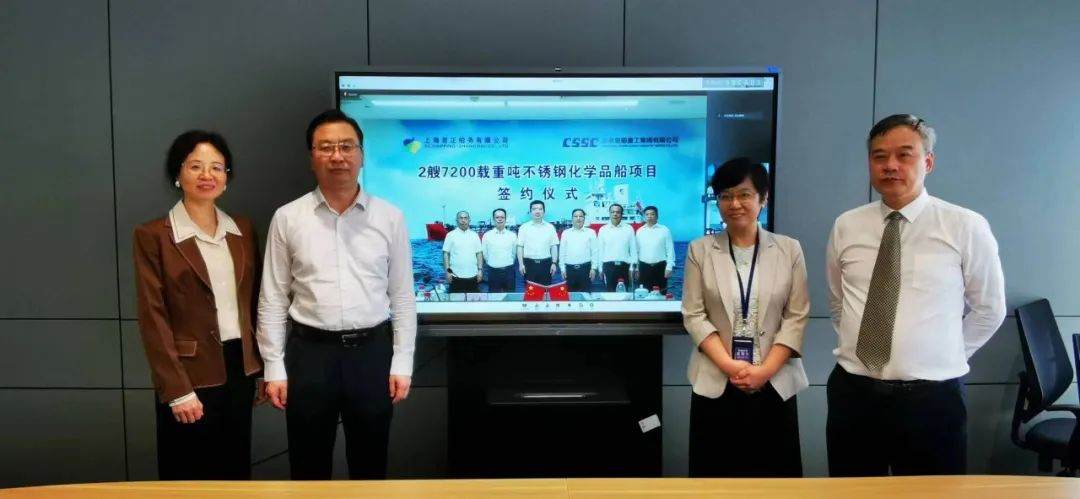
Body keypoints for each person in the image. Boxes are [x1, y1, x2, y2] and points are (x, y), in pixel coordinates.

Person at [825, 114, 1005, 476]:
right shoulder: (847, 225)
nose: (890, 165)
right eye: (879, 156)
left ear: (928, 161)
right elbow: (838, 301)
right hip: (854, 394)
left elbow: (989, 309)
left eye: (904, 155)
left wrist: (944, 357)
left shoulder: (964, 225)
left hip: (933, 401)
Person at [257, 109, 416, 480]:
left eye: (346, 146)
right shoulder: (288, 217)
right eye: (326, 147)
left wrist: (402, 361)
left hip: (372, 355)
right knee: (307, 467)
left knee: (370, 465)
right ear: (312, 157)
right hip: (309, 355)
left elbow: (403, 297)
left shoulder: (390, 217)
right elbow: (273, 298)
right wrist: (273, 366)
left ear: (361, 155)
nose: (337, 156)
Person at [133, 130, 264, 480]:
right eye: (196, 166)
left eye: (217, 167)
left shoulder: (242, 230)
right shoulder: (153, 235)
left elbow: (254, 303)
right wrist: (177, 391)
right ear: (178, 174)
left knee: (235, 471)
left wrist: (262, 367)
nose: (207, 175)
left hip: (239, 369)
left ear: (227, 177)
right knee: (187, 474)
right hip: (189, 373)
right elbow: (153, 316)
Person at [681, 157, 808, 478]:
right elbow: (694, 314)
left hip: (774, 382)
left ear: (763, 198)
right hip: (717, 381)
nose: (734, 204)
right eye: (725, 196)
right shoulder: (700, 250)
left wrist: (764, 371)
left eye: (744, 194)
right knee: (715, 479)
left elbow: (796, 316)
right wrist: (730, 365)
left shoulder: (789, 250)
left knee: (776, 481)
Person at [516, 200, 558, 285]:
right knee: (530, 290)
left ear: (544, 211)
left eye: (540, 209)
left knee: (546, 290)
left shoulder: (550, 227)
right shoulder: (524, 228)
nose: (537, 211)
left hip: (546, 264)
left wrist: (554, 263)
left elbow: (554, 246)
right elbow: (520, 247)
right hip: (529, 264)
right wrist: (521, 264)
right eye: (534, 209)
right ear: (530, 212)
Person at [597, 203, 637, 291]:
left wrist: (632, 268)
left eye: (618, 212)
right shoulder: (603, 230)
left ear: (622, 214)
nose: (615, 214)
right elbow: (600, 251)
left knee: (625, 293)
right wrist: (600, 269)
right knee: (609, 293)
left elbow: (633, 250)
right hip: (608, 267)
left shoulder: (629, 228)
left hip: (625, 267)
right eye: (613, 212)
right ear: (609, 213)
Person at [635, 205, 675, 293]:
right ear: (644, 217)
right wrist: (637, 269)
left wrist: (669, 267)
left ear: (657, 216)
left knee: (661, 294)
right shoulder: (639, 231)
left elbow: (670, 250)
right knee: (643, 294)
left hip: (660, 267)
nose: (649, 216)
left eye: (652, 214)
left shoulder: (665, 230)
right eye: (647, 214)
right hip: (644, 268)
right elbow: (637, 251)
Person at [559, 208, 599, 293]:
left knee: (586, 295)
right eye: (576, 216)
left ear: (584, 218)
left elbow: (595, 252)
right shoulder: (566, 233)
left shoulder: (591, 232)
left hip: (586, 270)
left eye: (581, 216)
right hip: (569, 270)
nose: (578, 218)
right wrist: (562, 269)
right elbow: (562, 252)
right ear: (572, 218)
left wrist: (594, 268)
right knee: (570, 296)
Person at [442, 210, 483, 293]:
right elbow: (446, 254)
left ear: (469, 220)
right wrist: (447, 272)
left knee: (474, 300)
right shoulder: (450, 235)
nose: (463, 220)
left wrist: (480, 270)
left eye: (465, 218)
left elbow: (479, 254)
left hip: (473, 276)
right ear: (456, 220)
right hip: (455, 277)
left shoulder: (474, 235)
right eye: (461, 218)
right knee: (455, 301)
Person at [482, 208, 516, 292]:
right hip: (493, 272)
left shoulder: (512, 235)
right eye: (497, 217)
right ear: (493, 219)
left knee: (510, 296)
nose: (500, 219)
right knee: (494, 297)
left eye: (502, 217)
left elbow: (514, 254)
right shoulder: (487, 236)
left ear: (505, 219)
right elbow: (485, 254)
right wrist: (493, 263)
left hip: (509, 271)